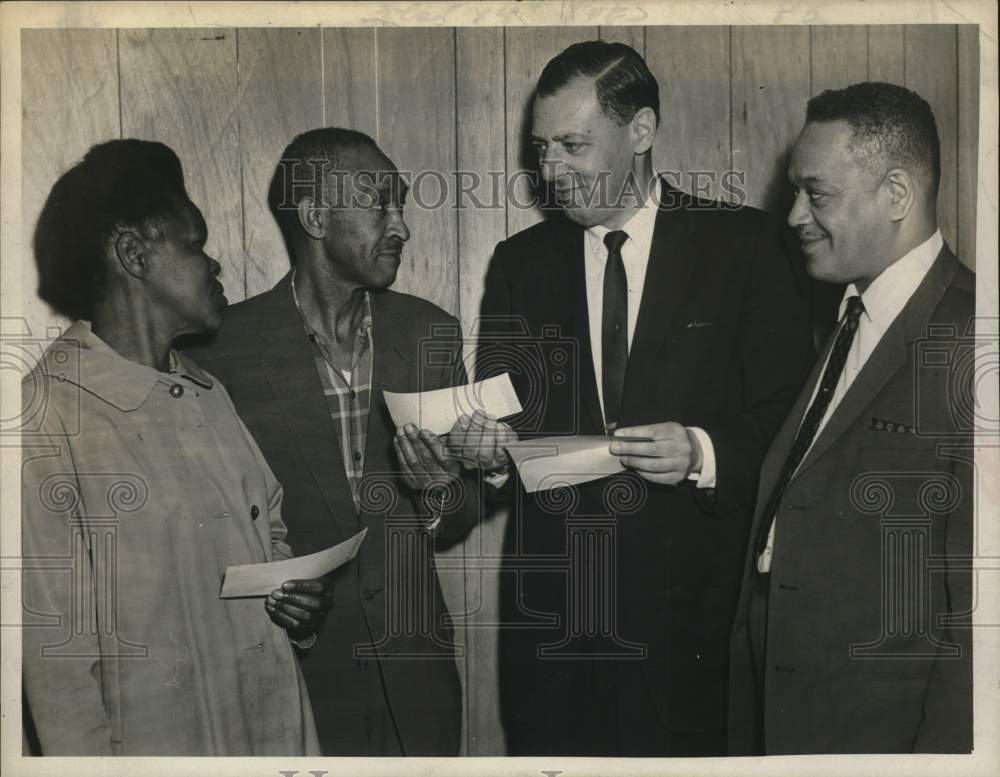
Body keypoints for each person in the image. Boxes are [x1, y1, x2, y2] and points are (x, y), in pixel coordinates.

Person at [451, 40, 815, 756]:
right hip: (556, 646)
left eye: (572, 144)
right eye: (541, 147)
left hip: (694, 639)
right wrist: (484, 455)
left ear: (641, 131)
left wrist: (703, 451)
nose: (550, 170)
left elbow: (794, 418)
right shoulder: (519, 265)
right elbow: (502, 425)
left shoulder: (743, 246)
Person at [21, 139, 331, 756]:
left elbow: (268, 539)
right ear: (134, 254)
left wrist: (296, 602)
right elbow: (57, 671)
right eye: (195, 244)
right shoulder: (47, 417)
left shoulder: (208, 393)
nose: (214, 265)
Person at [187, 128, 478, 756]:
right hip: (292, 672)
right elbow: (206, 525)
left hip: (416, 674)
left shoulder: (430, 333)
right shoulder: (223, 353)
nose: (401, 226)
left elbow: (462, 511)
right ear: (317, 215)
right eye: (380, 204)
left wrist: (442, 494)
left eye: (401, 204)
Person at [727, 82, 975, 754]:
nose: (794, 217)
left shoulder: (974, 340)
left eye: (818, 194)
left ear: (897, 195)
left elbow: (980, 630)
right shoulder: (848, 321)